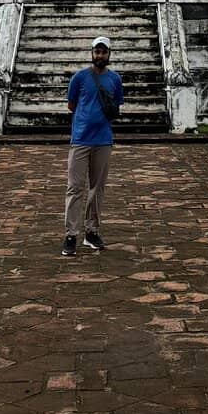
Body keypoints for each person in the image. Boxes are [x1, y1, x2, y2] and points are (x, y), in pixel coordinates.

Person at [61, 35, 123, 256]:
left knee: (97, 189)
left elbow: (116, 106)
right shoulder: (79, 78)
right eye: (97, 52)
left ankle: (91, 231)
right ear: (92, 54)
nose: (100, 55)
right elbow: (71, 105)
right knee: (75, 187)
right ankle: (71, 234)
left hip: (103, 140)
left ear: (109, 54)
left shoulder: (115, 79)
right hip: (80, 139)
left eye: (103, 52)